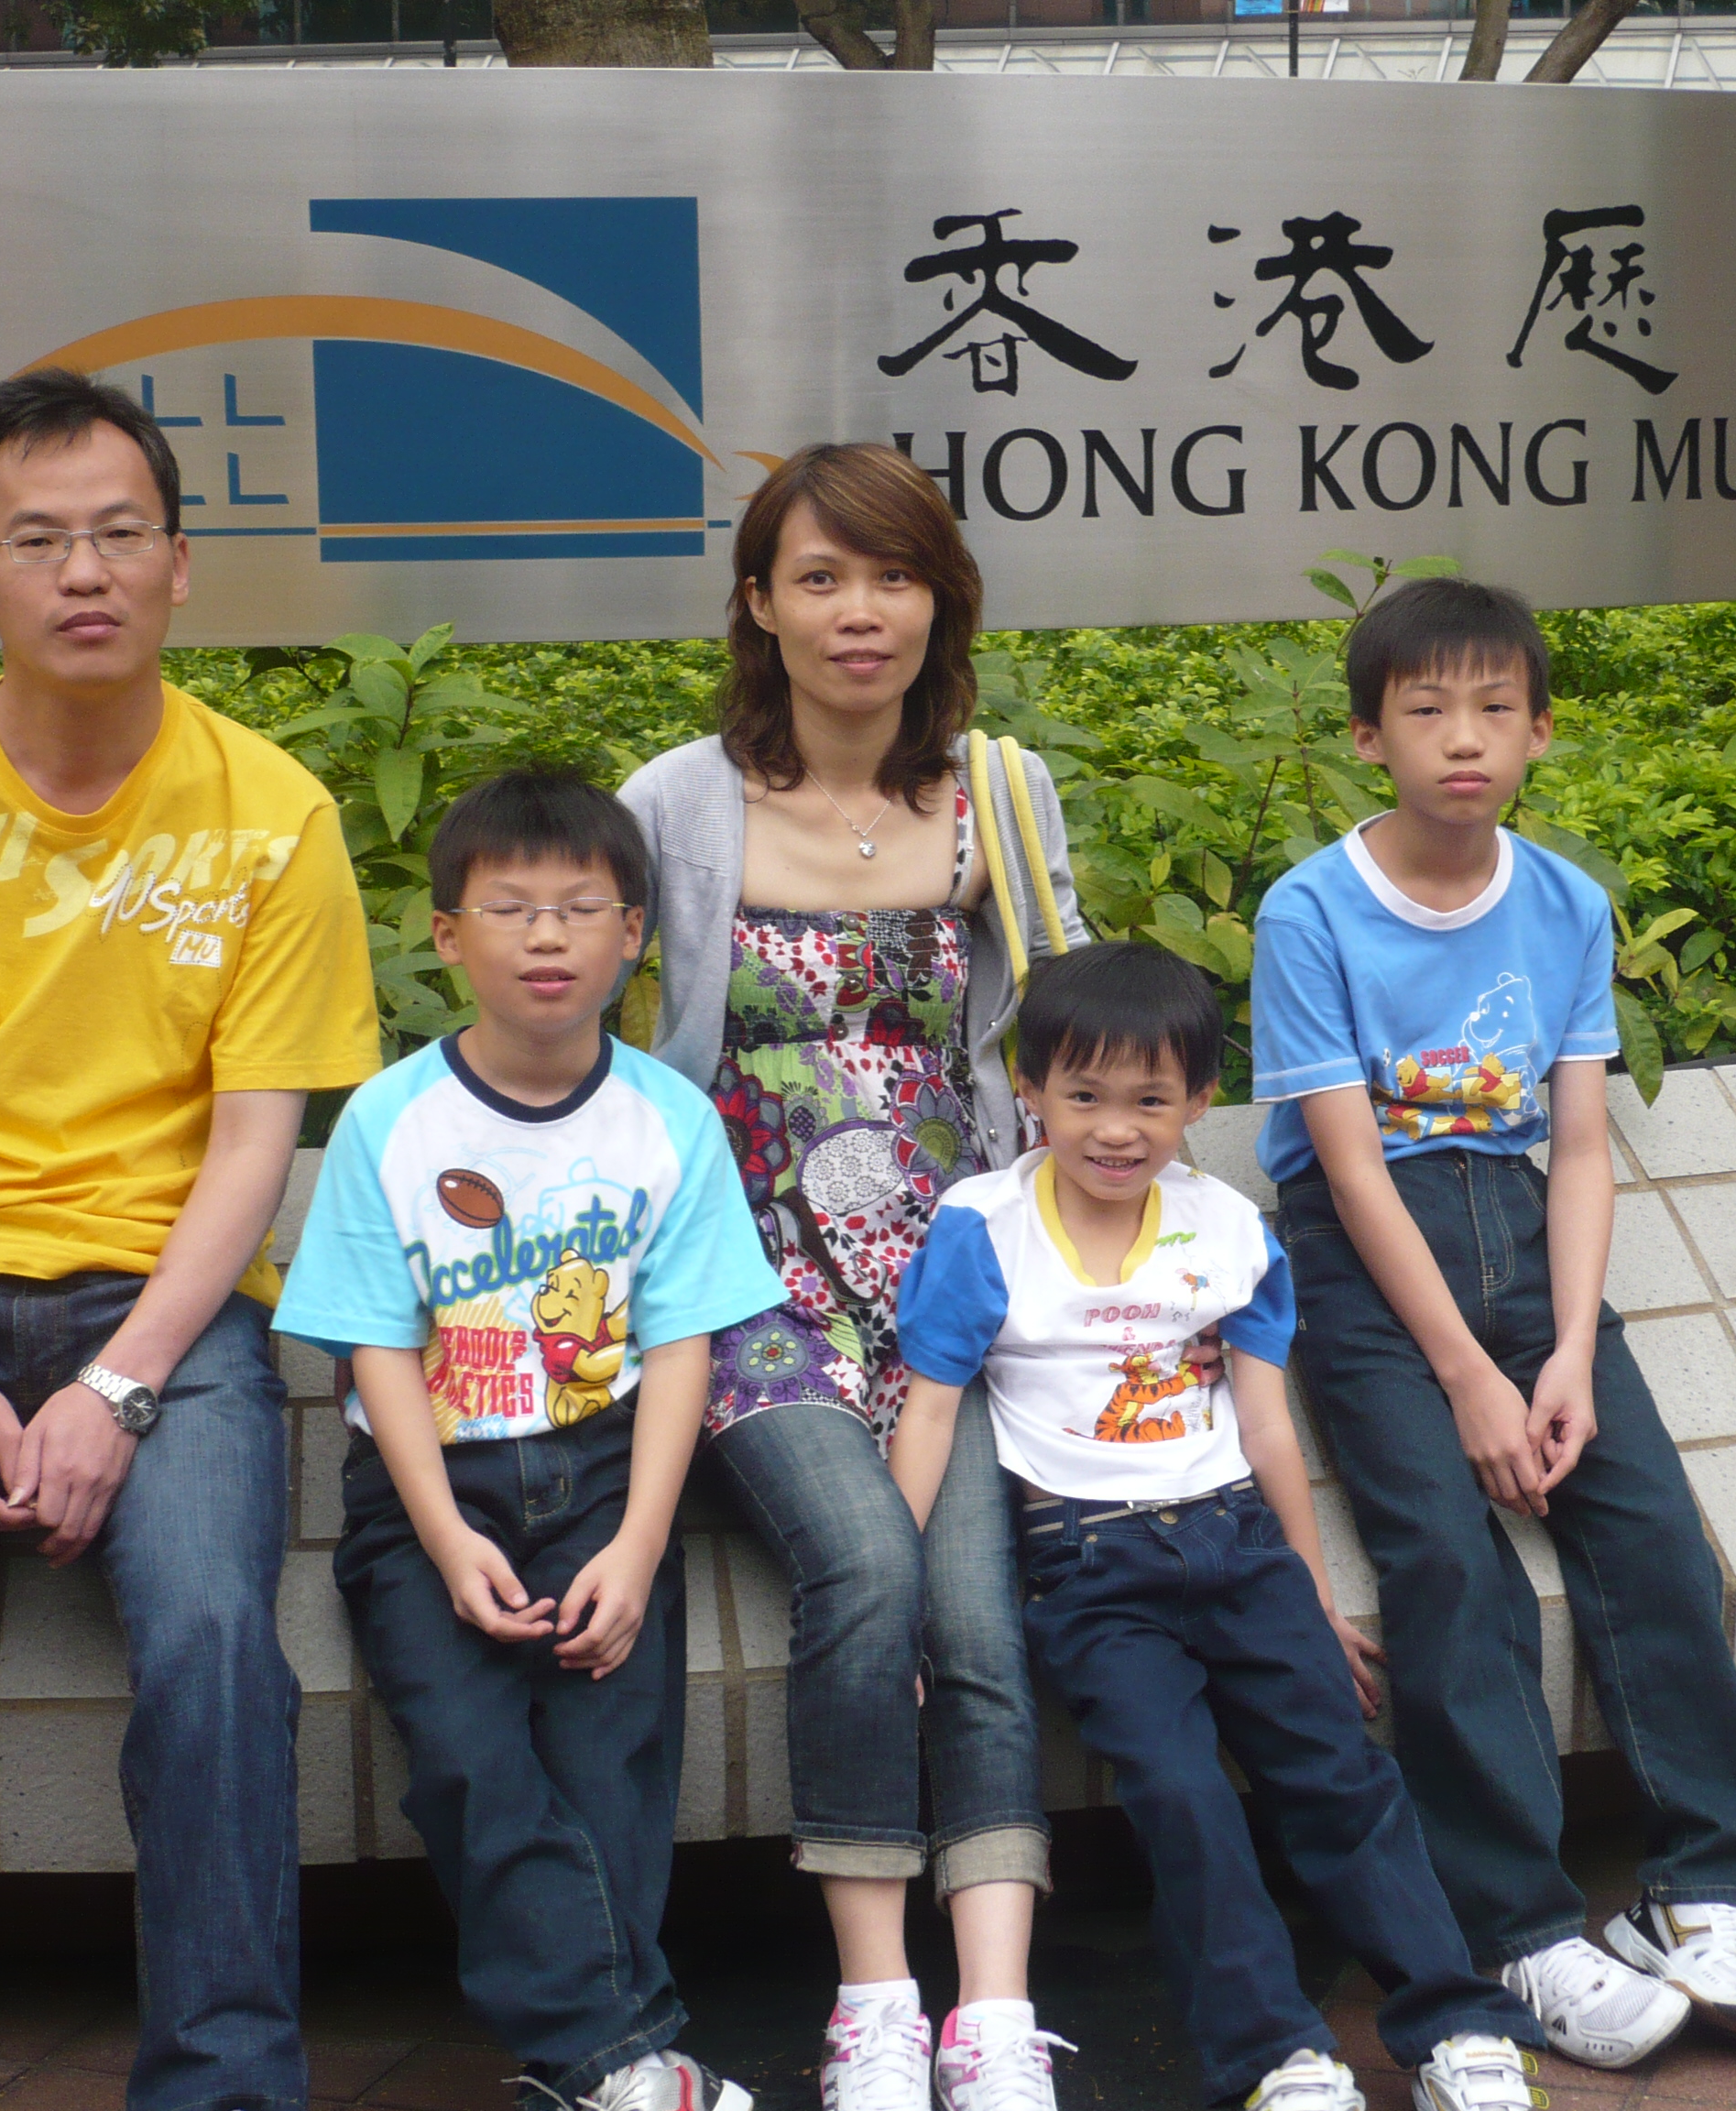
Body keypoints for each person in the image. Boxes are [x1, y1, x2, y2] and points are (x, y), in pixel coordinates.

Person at [0, 367, 381, 2111]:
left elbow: (255, 1141)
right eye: (38, 541)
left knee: (214, 1645)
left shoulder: (272, 812)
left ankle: (224, 2081)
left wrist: (119, 1383)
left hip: (165, 1307)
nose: (84, 571)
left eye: (119, 533)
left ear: (181, 563)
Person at [1249, 579, 1736, 2066]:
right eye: (1425, 710)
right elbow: (1347, 1170)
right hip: (1371, 1269)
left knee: (1651, 1527)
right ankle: (1520, 1927)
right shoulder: (1310, 911)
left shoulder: (1563, 904)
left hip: (1525, 1236)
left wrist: (1562, 1355)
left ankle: (1712, 1889)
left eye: (1495, 708)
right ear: (1367, 737)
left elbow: (1584, 1146)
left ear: (1541, 730)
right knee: (1444, 1555)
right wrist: (1467, 1380)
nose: (1463, 738)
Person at [890, 943, 1554, 2111]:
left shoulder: (1230, 1228)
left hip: (1238, 1546)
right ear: (1029, 1088)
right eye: (1083, 1095)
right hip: (1090, 1567)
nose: (1115, 1129)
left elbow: (1266, 1425)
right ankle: (1277, 2056)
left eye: (1151, 1100)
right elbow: (931, 1415)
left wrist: (1310, 1589)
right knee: (1182, 1795)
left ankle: (1457, 2025)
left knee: (1341, 1775)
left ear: (1200, 1101)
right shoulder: (981, 1228)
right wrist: (899, 1608)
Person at [619, 443, 1077, 2111]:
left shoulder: (997, 793)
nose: (857, 611)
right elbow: (609, 1049)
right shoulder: (678, 801)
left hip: (948, 1283)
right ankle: (874, 2003)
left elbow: (1053, 1038)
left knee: (975, 1614)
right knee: (868, 1567)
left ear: (941, 599)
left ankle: (994, 2013)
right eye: (818, 577)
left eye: (892, 576)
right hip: (744, 1284)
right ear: (760, 603)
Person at [274, 771, 782, 2111]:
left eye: (581, 908)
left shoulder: (668, 1122)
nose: (547, 935)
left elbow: (682, 1342)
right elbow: (376, 1352)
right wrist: (446, 1541)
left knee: (614, 1765)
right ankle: (627, 2056)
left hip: (607, 1478)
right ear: (449, 936)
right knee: (469, 1760)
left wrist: (639, 1545)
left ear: (635, 935)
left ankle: (604, 2067)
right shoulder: (391, 1120)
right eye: (510, 907)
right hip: (429, 1489)